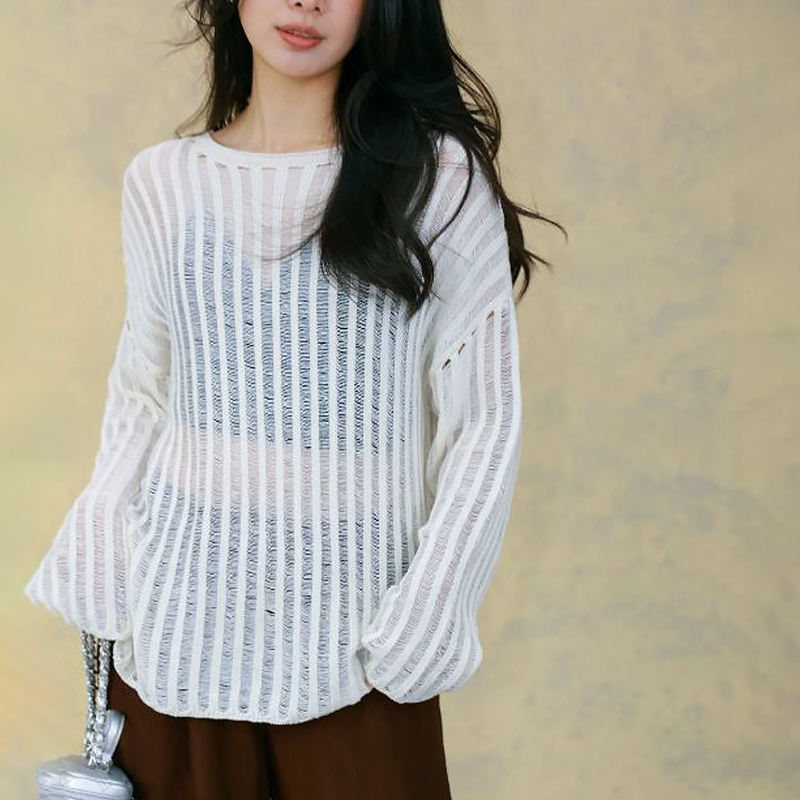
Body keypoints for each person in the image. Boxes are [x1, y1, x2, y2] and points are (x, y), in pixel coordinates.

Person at [22, 0, 563, 797]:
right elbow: (144, 393)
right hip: (171, 639)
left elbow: (485, 421)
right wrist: (103, 552)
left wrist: (431, 608)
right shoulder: (163, 182)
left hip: (360, 653)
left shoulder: (437, 181)